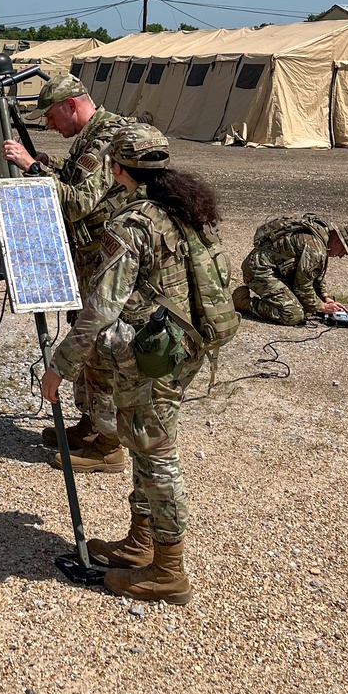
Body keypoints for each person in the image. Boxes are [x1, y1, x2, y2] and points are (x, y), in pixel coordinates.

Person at [41, 123, 226, 605]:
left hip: (150, 360)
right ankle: (142, 543)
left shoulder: (131, 224)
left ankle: (168, 570)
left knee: (157, 459)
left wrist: (60, 366)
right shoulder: (186, 209)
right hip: (180, 349)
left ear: (118, 169)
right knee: (148, 447)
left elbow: (101, 307)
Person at [2, 71, 130, 474]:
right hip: (91, 257)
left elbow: (77, 203)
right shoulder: (93, 136)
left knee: (99, 344)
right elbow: (77, 175)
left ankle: (109, 445)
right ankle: (92, 425)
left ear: (71, 106)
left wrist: (29, 167)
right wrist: (45, 162)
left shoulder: (105, 138)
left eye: (52, 118)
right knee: (87, 341)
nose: (50, 126)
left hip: (106, 260)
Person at [235, 215, 348, 326]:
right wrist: (322, 306)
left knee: (308, 306)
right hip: (259, 271)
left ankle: (272, 298)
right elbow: (302, 286)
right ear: (338, 242)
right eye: (343, 252)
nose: (340, 256)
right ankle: (243, 302)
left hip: (271, 269)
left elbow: (314, 275)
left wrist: (325, 297)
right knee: (293, 314)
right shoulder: (316, 248)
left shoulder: (320, 234)